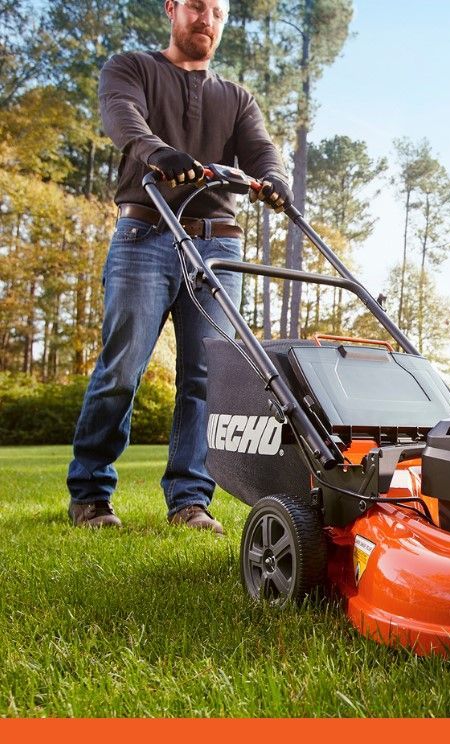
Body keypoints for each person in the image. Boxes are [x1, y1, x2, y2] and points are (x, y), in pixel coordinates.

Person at [67, 0, 291, 535]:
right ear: (172, 8)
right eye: (195, 6)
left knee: (206, 378)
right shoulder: (132, 68)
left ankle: (190, 500)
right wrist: (155, 151)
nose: (205, 20)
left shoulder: (237, 98)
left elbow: (260, 150)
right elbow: (124, 117)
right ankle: (91, 494)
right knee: (122, 367)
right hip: (144, 234)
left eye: (217, 11)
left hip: (218, 246)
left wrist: (274, 177)